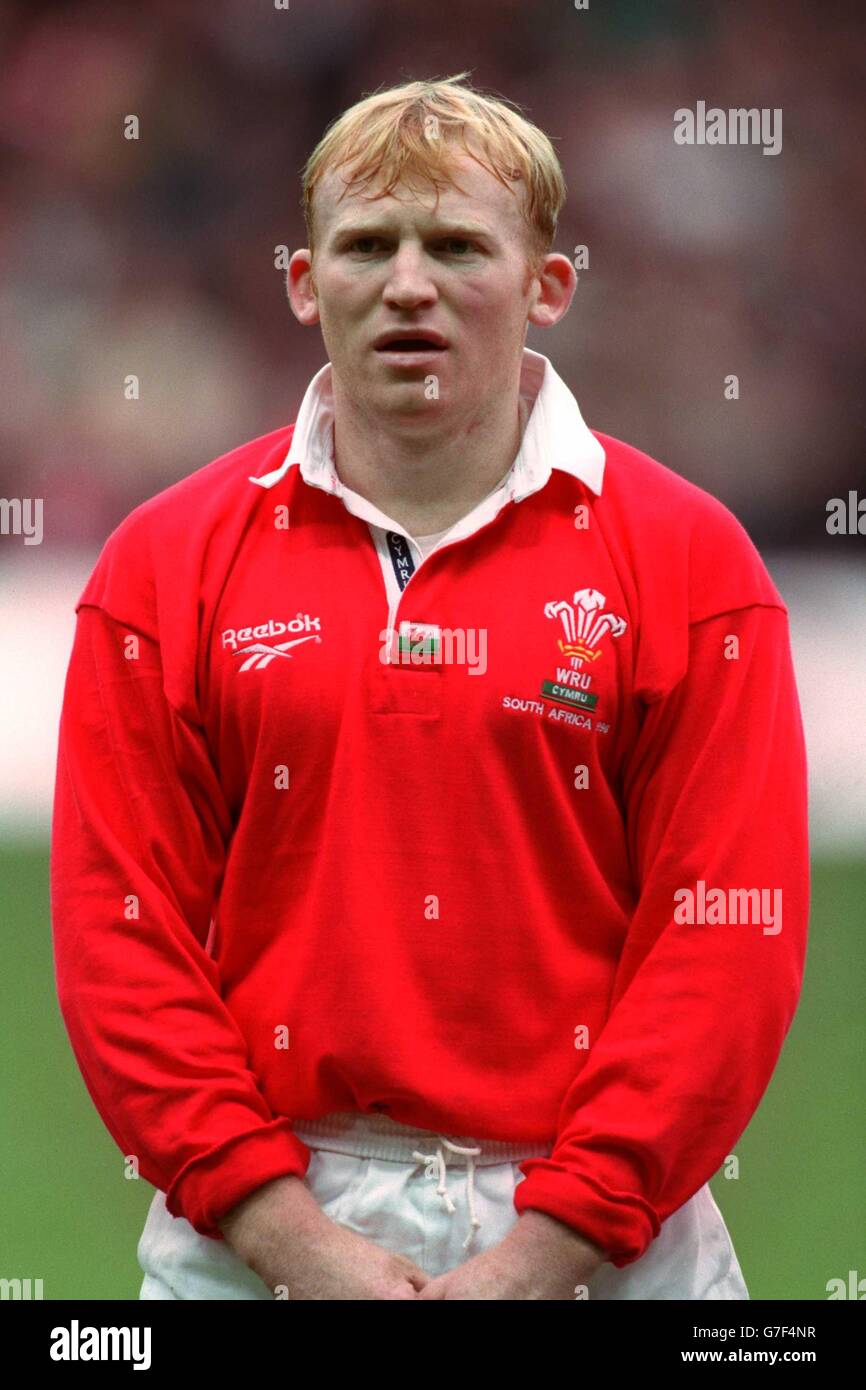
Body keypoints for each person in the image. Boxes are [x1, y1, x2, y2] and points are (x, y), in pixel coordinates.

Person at [50, 72, 810, 1301]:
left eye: (457, 245)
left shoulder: (688, 561)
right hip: (258, 1233)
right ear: (304, 283)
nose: (409, 283)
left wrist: (547, 1249)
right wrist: (290, 1240)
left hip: (610, 1243)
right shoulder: (163, 563)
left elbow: (722, 944)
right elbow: (117, 938)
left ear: (546, 287)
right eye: (367, 245)